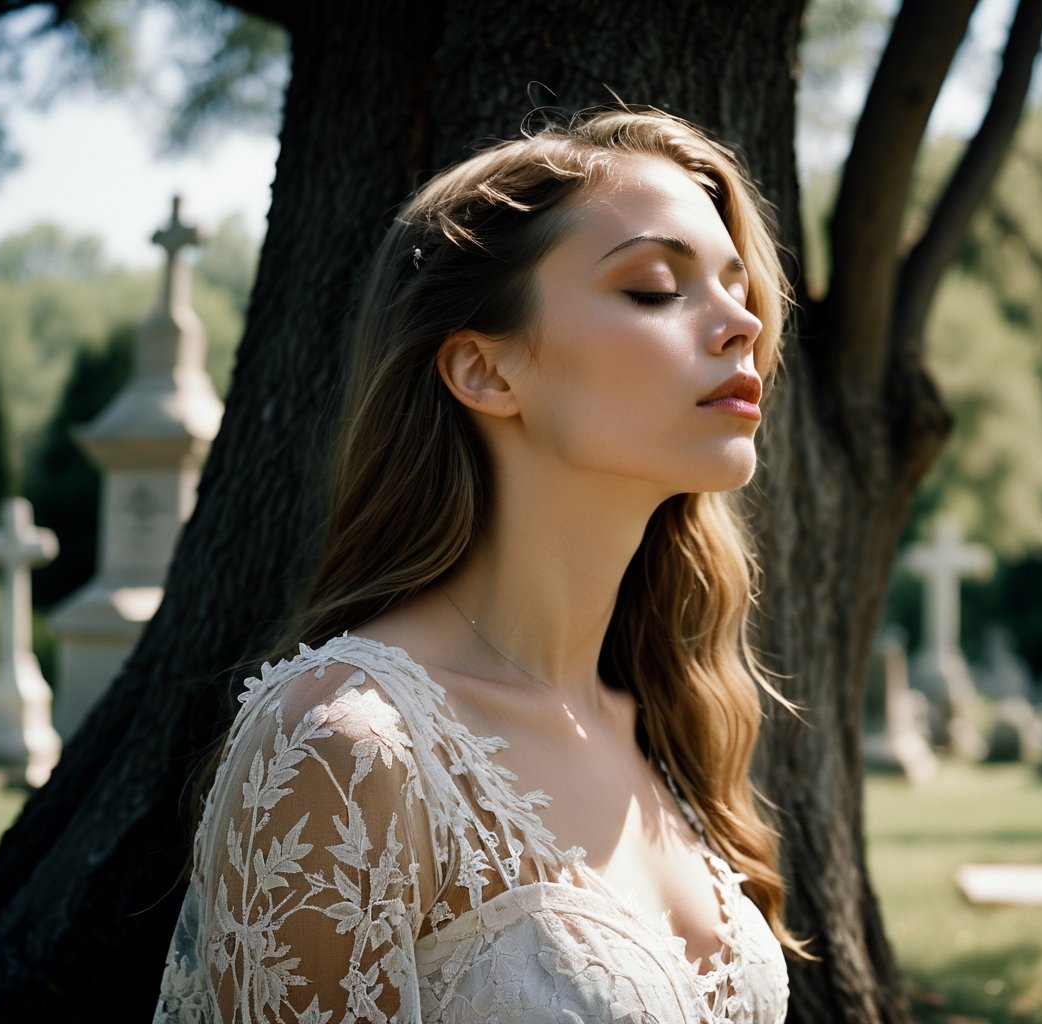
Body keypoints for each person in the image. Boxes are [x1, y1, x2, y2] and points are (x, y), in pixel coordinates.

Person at [154, 106, 803, 1024]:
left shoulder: (666, 721)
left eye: (739, 289)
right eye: (657, 287)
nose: (743, 324)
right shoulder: (347, 748)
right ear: (486, 373)